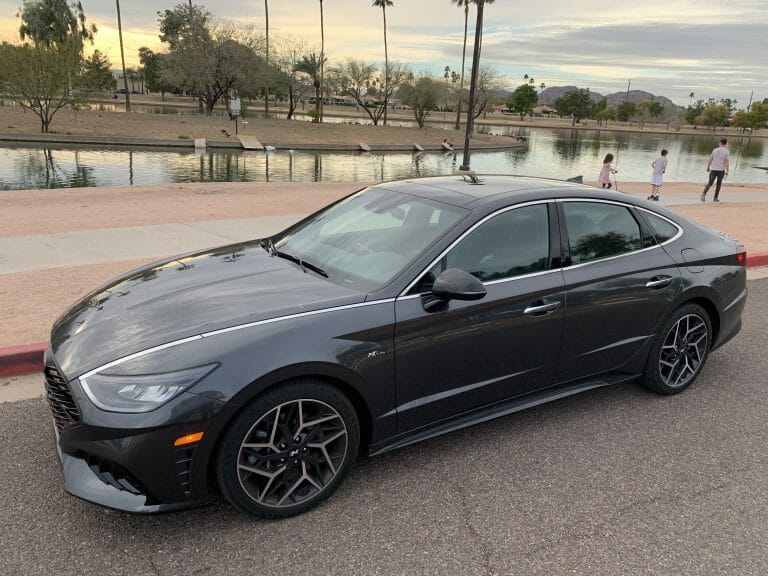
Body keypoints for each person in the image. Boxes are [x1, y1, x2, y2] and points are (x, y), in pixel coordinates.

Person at [701, 138, 730, 202]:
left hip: (713, 169)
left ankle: (703, 193)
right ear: (726, 143)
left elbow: (711, 159)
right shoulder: (727, 152)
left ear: (720, 143)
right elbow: (726, 162)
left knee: (710, 183)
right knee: (718, 184)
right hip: (721, 170)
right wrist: (727, 171)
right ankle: (715, 198)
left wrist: (708, 167)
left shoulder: (715, 150)